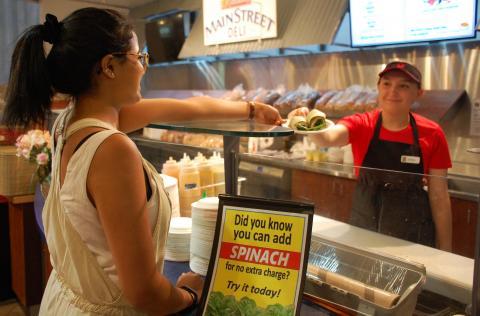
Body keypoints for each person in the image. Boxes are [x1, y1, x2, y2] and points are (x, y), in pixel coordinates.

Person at [3, 8, 282, 315]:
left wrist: (251, 109)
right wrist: (191, 293)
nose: (144, 68)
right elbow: (145, 294)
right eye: (140, 58)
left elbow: (186, 109)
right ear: (110, 66)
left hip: (64, 300)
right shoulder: (112, 150)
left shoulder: (70, 122)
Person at [290, 61, 452, 251]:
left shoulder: (432, 133)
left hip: (412, 237)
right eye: (386, 84)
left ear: (418, 93)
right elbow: (327, 138)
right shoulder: (362, 124)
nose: (393, 91)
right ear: (378, 88)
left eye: (403, 86)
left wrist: (445, 249)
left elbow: (439, 195)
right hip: (364, 232)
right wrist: (307, 122)